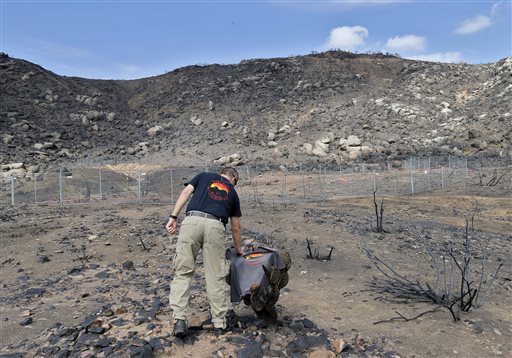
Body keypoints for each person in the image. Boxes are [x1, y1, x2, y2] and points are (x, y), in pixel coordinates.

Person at [165, 167, 243, 337]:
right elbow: (235, 227)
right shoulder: (233, 192)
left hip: (191, 221)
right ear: (234, 179)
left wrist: (173, 217)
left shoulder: (204, 176)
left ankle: (179, 320)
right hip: (215, 226)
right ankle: (219, 323)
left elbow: (186, 192)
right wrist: (237, 249)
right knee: (216, 276)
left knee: (183, 271)